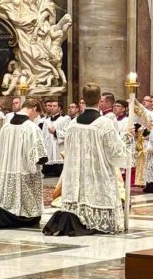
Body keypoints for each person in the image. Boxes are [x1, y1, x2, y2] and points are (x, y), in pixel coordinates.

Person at [44, 83, 133, 236]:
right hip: (98, 175)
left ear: (83, 99)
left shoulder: (73, 124)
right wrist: (127, 137)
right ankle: (97, 220)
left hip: (77, 175)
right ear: (99, 99)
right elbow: (116, 153)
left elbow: (69, 151)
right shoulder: (104, 124)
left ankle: (79, 218)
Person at [0, 98, 47, 230]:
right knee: (30, 212)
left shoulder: (6, 127)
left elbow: (1, 153)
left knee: (9, 203)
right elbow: (40, 157)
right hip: (26, 173)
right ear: (34, 108)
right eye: (37, 113)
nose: (36, 117)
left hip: (8, 171)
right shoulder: (31, 128)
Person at [40, 99, 68, 177]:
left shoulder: (64, 120)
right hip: (49, 154)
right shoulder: (46, 121)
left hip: (59, 152)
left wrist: (55, 132)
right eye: (51, 106)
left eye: (54, 106)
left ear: (59, 108)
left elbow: (67, 134)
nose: (52, 107)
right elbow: (43, 136)